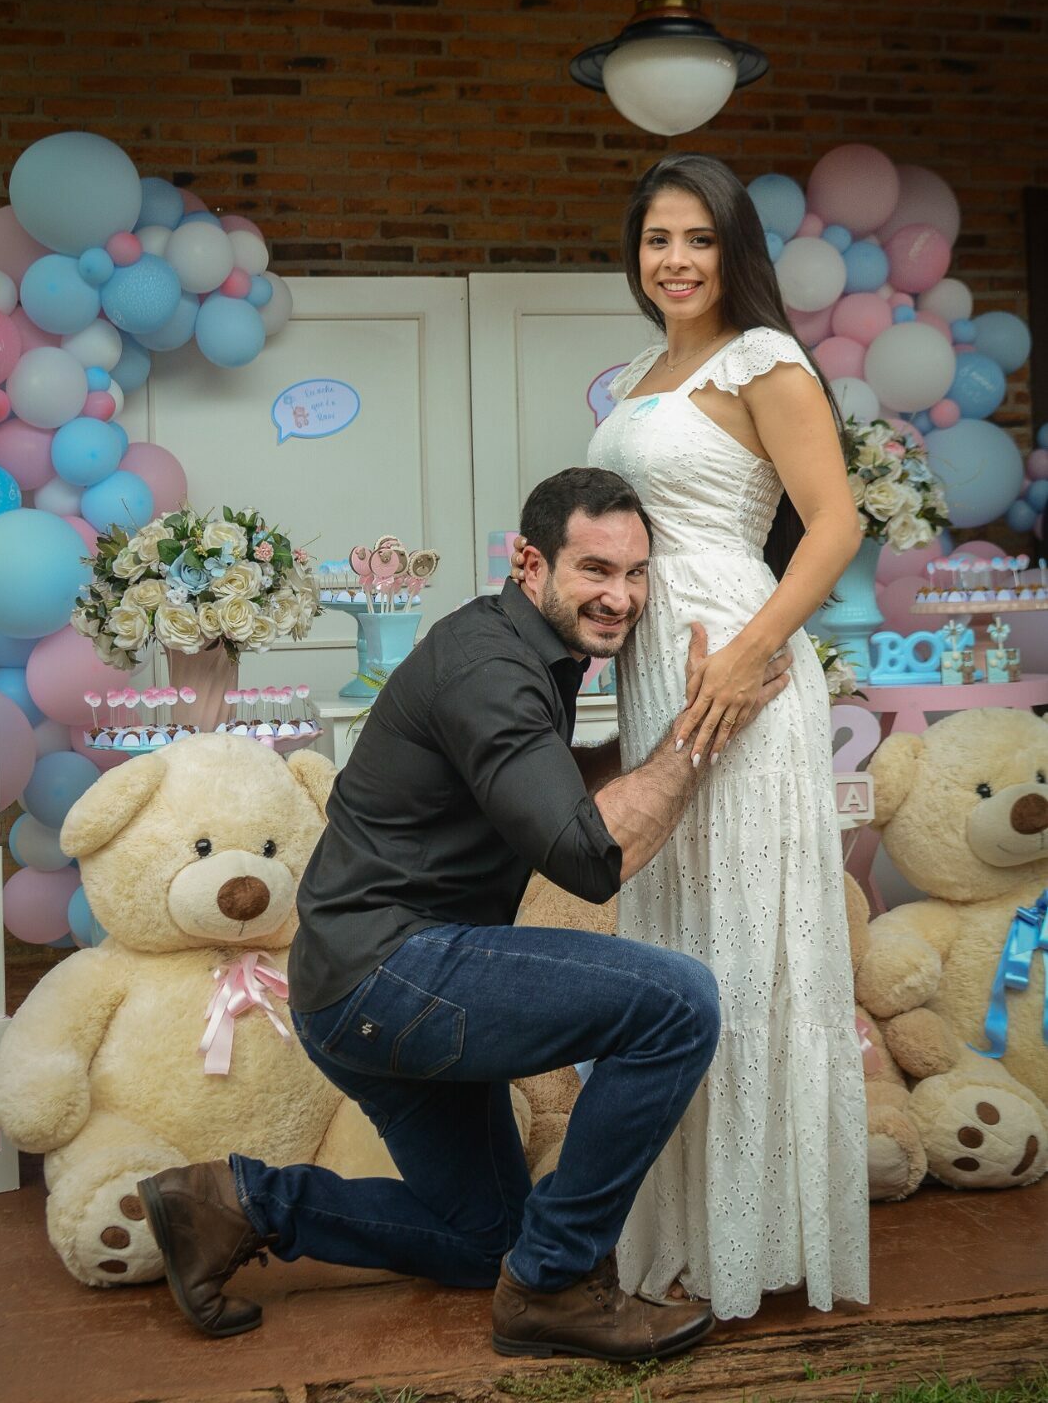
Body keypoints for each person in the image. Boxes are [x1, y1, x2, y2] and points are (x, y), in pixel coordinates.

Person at [137, 467, 792, 1362]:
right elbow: (591, 857)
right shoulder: (492, 668)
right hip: (390, 972)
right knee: (676, 1004)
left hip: (353, 983)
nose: (620, 596)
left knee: (489, 1241)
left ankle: (231, 1205)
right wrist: (702, 730)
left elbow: (540, 787)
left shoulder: (516, 648)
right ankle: (558, 1285)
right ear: (530, 563)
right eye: (595, 569)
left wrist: (664, 728)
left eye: (636, 573)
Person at [516, 153, 870, 1320]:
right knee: (680, 940)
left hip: (739, 672)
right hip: (660, 676)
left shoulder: (764, 361)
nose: (675, 260)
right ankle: (683, 1226)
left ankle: (759, 1239)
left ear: (734, 252)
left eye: (699, 239)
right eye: (657, 238)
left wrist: (752, 651)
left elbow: (834, 524)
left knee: (750, 938)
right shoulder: (635, 376)